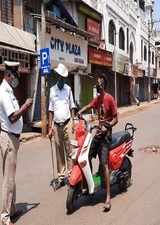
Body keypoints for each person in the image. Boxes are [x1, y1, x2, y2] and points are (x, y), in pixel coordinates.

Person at [0, 61, 33, 225]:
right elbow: (12, 117)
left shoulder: (8, 90)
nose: (16, 79)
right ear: (9, 74)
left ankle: (11, 210)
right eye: (15, 76)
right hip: (9, 138)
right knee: (8, 179)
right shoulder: (4, 92)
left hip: (13, 138)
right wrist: (26, 106)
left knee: (11, 177)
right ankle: (5, 217)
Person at [77, 75, 118, 212]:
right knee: (86, 156)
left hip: (106, 136)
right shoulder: (98, 98)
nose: (98, 85)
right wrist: (80, 111)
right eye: (97, 83)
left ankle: (107, 197)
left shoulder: (109, 98)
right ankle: (86, 185)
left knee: (104, 164)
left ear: (104, 85)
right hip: (98, 134)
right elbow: (90, 105)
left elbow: (116, 118)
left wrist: (108, 126)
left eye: (100, 83)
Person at [47, 63, 77, 178]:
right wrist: (50, 127)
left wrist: (73, 122)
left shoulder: (68, 89)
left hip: (67, 123)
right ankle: (61, 174)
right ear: (57, 77)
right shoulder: (52, 90)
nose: (62, 79)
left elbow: (72, 106)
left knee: (69, 149)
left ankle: (70, 173)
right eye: (60, 77)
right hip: (56, 125)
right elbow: (50, 110)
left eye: (64, 78)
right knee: (59, 150)